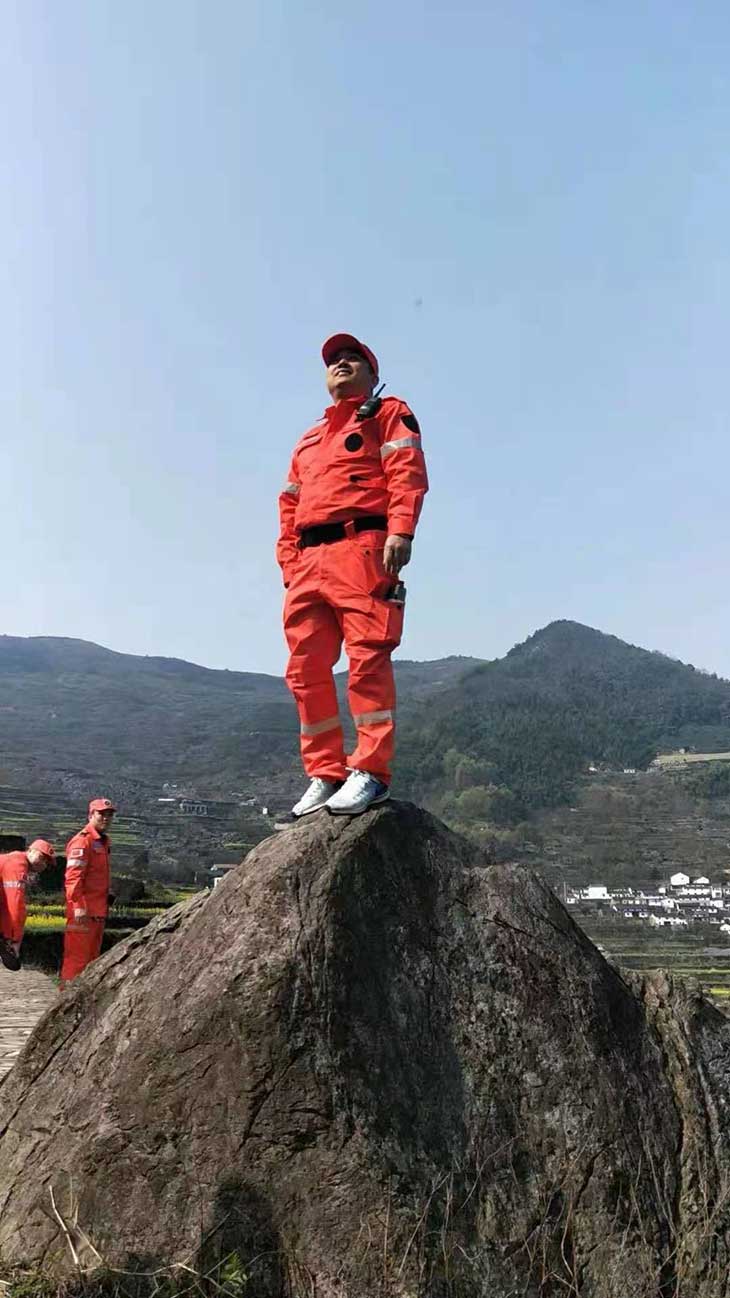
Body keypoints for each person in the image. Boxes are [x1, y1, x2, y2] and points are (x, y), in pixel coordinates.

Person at [278, 333, 428, 817]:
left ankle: (370, 770)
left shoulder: (387, 414)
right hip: (308, 561)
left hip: (362, 548)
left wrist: (400, 530)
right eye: (333, 360)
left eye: (352, 358)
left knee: (367, 659)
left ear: (372, 372)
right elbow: (289, 503)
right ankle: (325, 772)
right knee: (304, 670)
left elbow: (406, 471)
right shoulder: (309, 439)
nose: (340, 363)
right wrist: (289, 562)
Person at [60, 797, 115, 986]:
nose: (106, 818)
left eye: (109, 815)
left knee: (91, 962)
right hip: (82, 913)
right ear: (91, 815)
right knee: (77, 960)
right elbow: (73, 878)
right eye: (101, 814)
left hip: (97, 912)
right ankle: (66, 998)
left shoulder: (102, 842)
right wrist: (78, 906)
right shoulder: (82, 842)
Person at [0, 839, 56, 971]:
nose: (43, 863)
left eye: (47, 862)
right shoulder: (17, 865)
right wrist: (14, 939)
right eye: (42, 857)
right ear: (30, 851)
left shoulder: (13, 860)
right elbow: (15, 904)